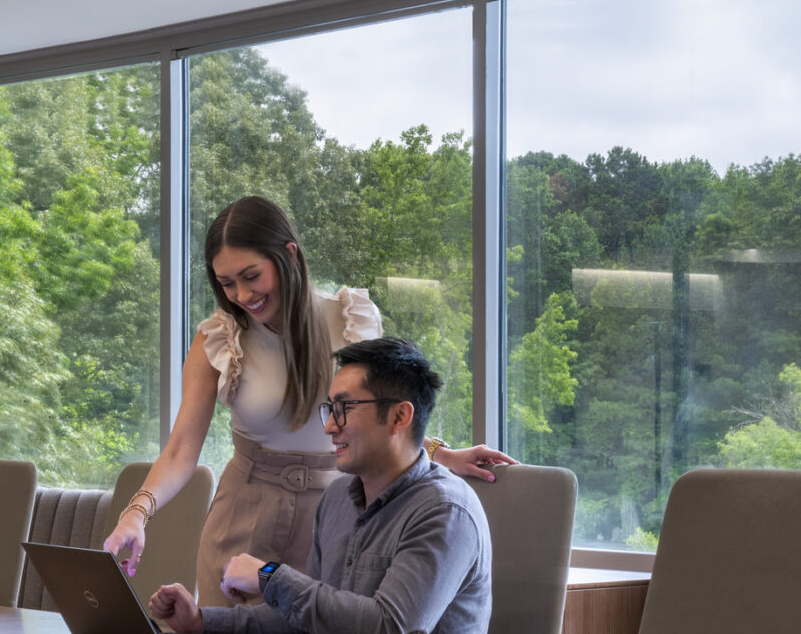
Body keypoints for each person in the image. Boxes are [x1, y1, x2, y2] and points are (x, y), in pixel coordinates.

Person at [101, 195, 512, 601]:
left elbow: (374, 418)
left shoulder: (351, 320)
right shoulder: (219, 338)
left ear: (289, 256)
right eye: (226, 283)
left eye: (251, 276)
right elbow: (179, 452)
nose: (242, 295)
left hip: (334, 516)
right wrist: (136, 514)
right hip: (241, 518)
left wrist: (441, 454)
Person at [147, 336, 491, 634]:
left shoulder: (445, 511)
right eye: (330, 409)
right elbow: (306, 619)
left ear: (400, 417)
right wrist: (201, 621)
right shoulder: (338, 496)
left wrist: (269, 575)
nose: (329, 427)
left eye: (345, 409)